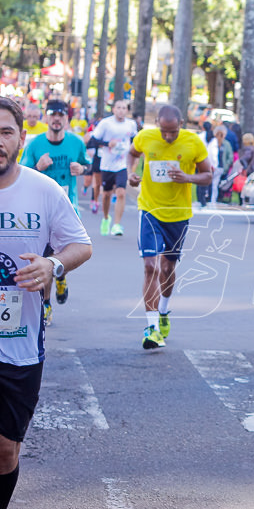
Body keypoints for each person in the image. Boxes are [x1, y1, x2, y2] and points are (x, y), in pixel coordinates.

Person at [0, 96, 92, 509]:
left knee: (4, 450)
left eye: (6, 133)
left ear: (21, 138)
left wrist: (53, 267)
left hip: (18, 341)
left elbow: (80, 245)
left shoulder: (43, 190)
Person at [126, 105, 213, 350]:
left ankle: (163, 310)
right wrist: (131, 173)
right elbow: (131, 153)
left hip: (178, 214)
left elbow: (208, 175)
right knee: (150, 266)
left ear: (181, 124)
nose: (167, 137)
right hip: (150, 210)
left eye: (172, 132)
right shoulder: (145, 137)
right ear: (157, 125)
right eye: (164, 131)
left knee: (167, 268)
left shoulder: (192, 142)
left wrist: (188, 178)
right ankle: (152, 328)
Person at [19, 99, 88, 324]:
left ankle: (61, 277)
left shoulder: (76, 143)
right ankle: (46, 304)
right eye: (52, 114)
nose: (57, 118)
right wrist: (37, 167)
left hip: (69, 208)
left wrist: (82, 168)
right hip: (40, 211)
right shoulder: (35, 144)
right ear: (46, 118)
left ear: (67, 118)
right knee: (45, 258)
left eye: (61, 114)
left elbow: (87, 164)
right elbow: (19, 172)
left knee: (61, 256)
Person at [88, 99, 138, 236]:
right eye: (118, 107)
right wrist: (107, 143)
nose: (121, 110)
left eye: (124, 108)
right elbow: (93, 140)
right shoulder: (106, 123)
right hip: (107, 164)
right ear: (113, 109)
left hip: (122, 164)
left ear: (127, 110)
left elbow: (135, 140)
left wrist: (136, 154)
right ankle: (105, 218)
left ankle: (117, 225)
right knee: (106, 195)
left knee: (121, 192)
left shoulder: (131, 124)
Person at [207, 126, 232, 203]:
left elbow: (230, 157)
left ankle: (211, 199)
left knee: (213, 185)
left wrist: (226, 166)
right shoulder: (217, 143)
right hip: (218, 167)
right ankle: (213, 199)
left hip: (217, 167)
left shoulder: (223, 144)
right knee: (214, 185)